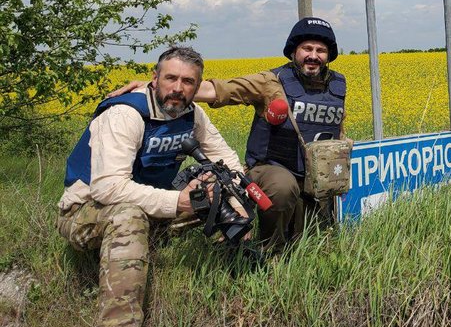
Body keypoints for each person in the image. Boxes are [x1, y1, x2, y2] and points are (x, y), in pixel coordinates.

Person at [110, 17, 347, 250]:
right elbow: (218, 90)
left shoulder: (337, 86)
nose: (313, 56)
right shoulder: (271, 82)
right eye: (307, 48)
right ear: (294, 51)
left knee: (316, 237)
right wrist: (156, 86)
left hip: (313, 174)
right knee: (283, 187)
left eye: (321, 50)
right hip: (272, 170)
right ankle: (271, 250)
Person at [57, 46, 247, 327]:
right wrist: (178, 202)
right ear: (154, 78)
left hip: (148, 203)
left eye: (188, 82)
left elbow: (227, 159)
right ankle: (119, 326)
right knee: (128, 216)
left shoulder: (191, 114)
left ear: (198, 86)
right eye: (171, 78)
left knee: (218, 187)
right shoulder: (125, 114)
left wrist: (235, 196)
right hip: (84, 211)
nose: (178, 88)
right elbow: (108, 189)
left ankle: (235, 275)